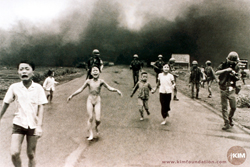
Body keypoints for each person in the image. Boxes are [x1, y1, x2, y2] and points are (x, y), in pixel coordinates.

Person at [0, 61, 48, 167]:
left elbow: (41, 107)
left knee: (31, 154)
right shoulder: (14, 87)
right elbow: (6, 103)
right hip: (18, 123)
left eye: (27, 69)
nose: (24, 71)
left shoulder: (38, 88)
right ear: (18, 72)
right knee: (14, 153)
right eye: (21, 69)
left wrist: (39, 126)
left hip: (33, 125)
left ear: (33, 72)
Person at [67, 66, 122, 140]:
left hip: (97, 100)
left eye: (96, 70)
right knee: (90, 117)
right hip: (90, 100)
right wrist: (72, 95)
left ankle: (96, 127)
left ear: (99, 72)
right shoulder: (88, 81)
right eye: (93, 71)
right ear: (91, 73)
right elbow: (80, 89)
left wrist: (116, 90)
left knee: (98, 119)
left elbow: (109, 88)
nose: (95, 72)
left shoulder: (101, 81)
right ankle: (91, 134)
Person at [216, 51, 241, 130]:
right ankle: (226, 123)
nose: (233, 63)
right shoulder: (223, 65)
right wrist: (226, 70)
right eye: (232, 61)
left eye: (234, 62)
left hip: (231, 88)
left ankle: (230, 117)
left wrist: (235, 75)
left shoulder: (237, 67)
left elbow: (239, 76)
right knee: (224, 107)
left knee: (233, 107)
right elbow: (217, 72)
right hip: (223, 87)